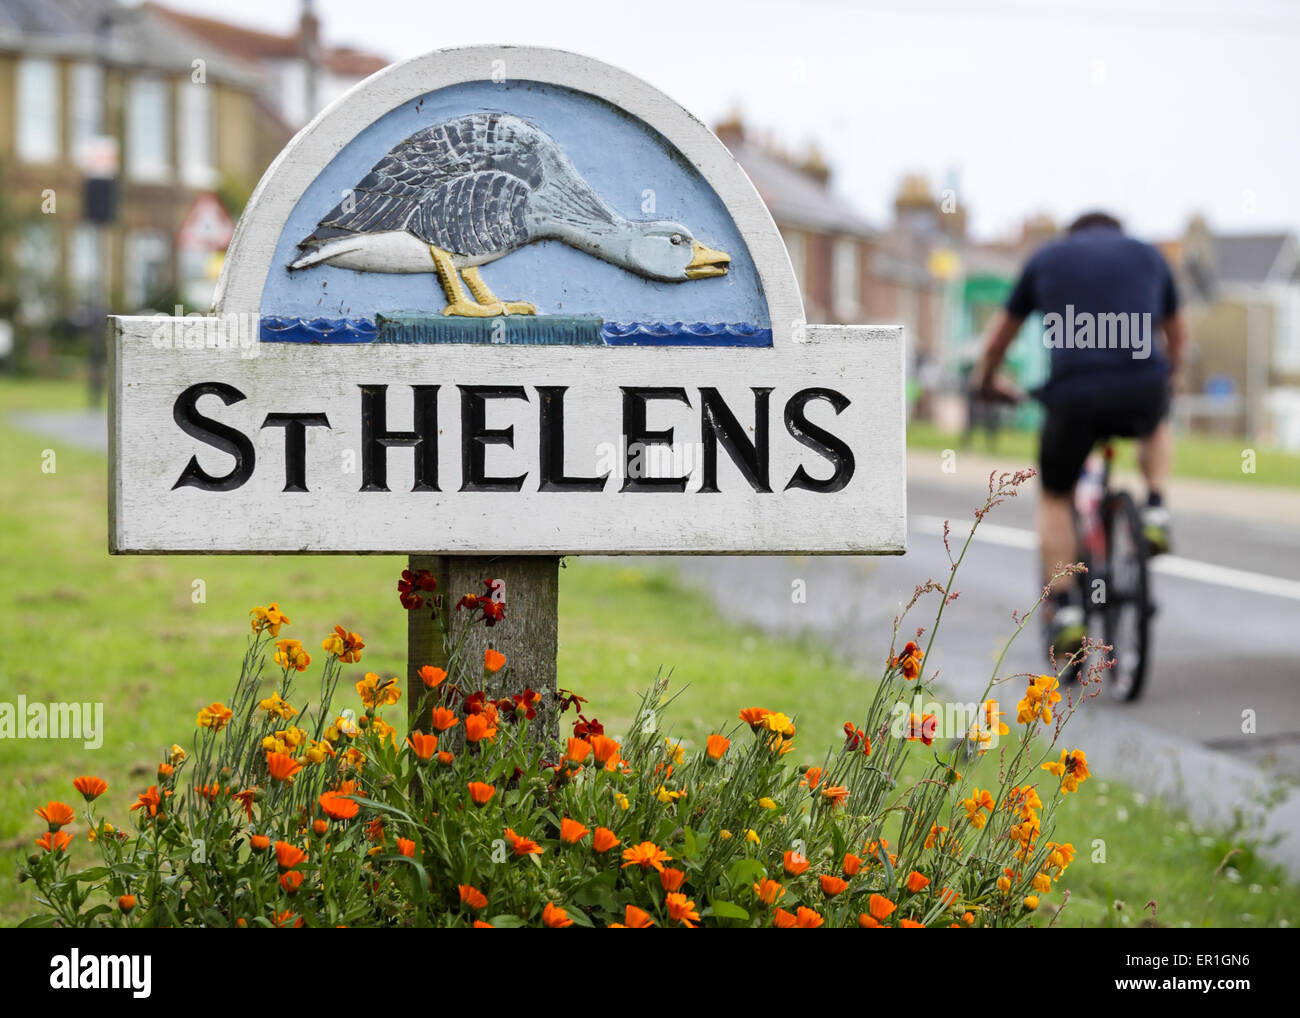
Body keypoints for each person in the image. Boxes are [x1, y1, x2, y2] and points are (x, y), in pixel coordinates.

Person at [973, 211, 1186, 660]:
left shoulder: (1046, 258)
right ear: (1116, 232)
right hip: (1140, 389)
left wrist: (988, 382)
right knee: (1157, 413)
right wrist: (1173, 377)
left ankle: (1066, 609)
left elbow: (997, 343)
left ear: (1074, 236)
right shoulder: (1149, 256)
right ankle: (1155, 507)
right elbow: (1176, 334)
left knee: (1055, 496)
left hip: (1073, 398)